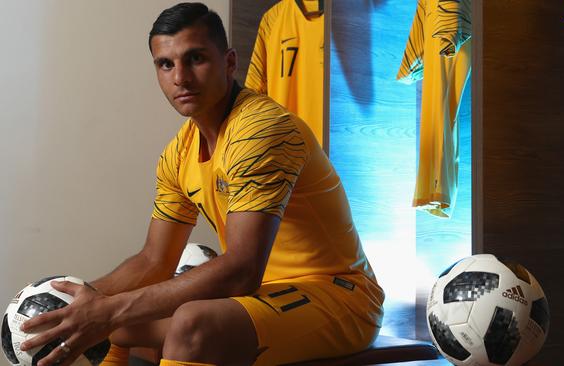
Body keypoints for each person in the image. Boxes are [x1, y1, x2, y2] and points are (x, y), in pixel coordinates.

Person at [19, 3, 384, 366]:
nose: (180, 77)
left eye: (195, 58)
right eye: (166, 64)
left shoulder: (260, 129)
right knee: (121, 325)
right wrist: (83, 302)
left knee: (191, 324)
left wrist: (109, 309)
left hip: (341, 297)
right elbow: (154, 259)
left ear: (229, 62)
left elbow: (242, 269)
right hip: (265, 294)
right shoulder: (179, 153)